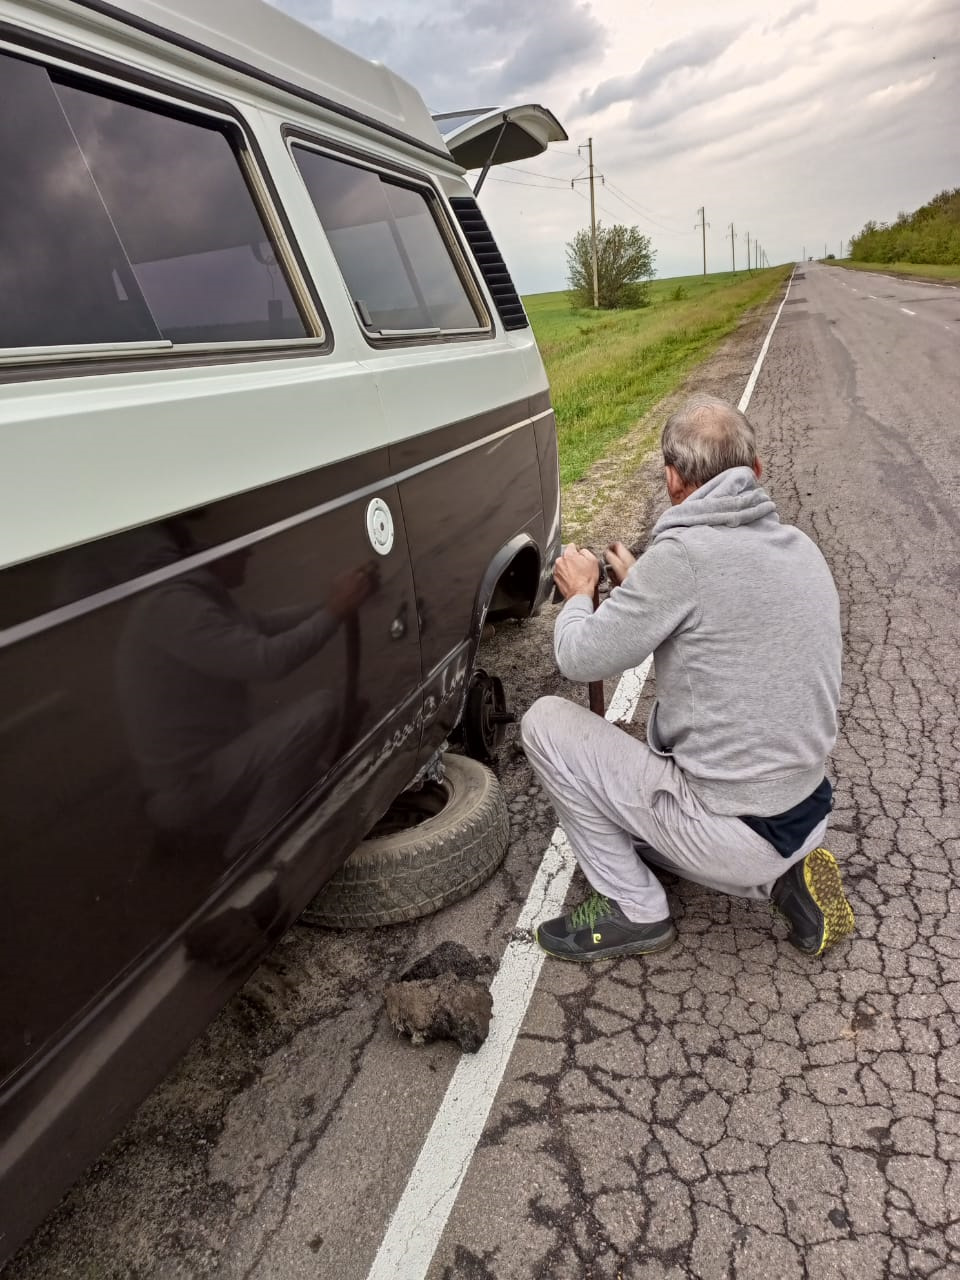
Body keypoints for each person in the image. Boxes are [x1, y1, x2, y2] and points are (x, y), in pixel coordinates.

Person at [521, 393, 854, 962]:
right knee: (657, 802)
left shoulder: (681, 560)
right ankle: (783, 880)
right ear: (755, 472)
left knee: (544, 723)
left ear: (673, 479)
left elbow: (579, 657)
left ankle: (634, 909)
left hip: (732, 826)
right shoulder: (801, 547)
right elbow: (722, 626)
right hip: (805, 808)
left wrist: (580, 595)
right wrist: (641, 584)